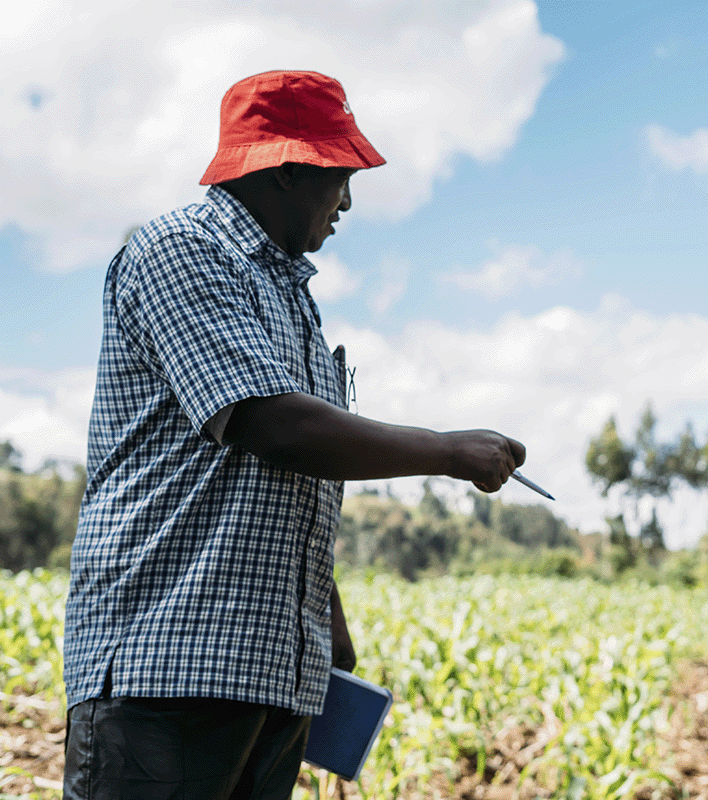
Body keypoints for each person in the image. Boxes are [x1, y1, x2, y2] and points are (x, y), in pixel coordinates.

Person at [62, 70, 526, 800]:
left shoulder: (292, 300)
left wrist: (324, 620)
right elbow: (273, 426)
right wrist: (447, 450)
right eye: (340, 176)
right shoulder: (181, 250)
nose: (348, 202)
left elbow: (287, 476)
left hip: (270, 676)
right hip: (168, 666)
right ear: (284, 170)